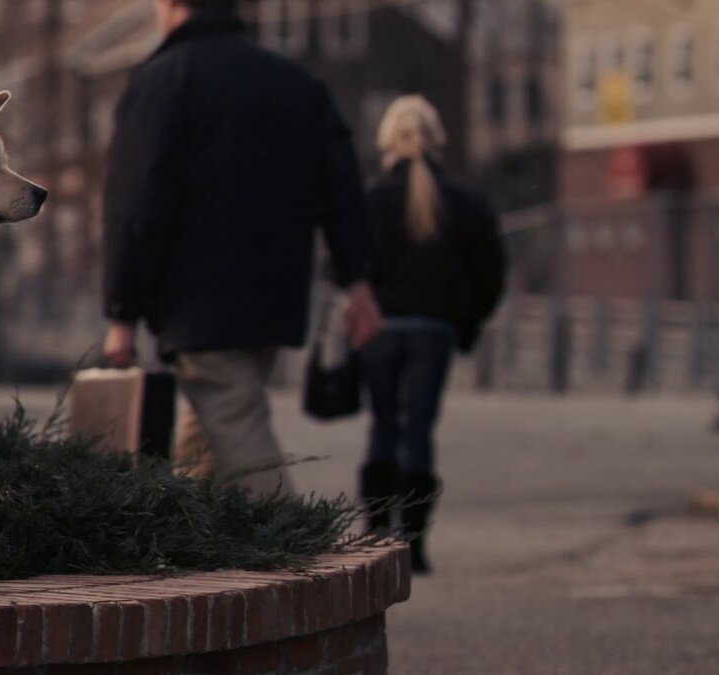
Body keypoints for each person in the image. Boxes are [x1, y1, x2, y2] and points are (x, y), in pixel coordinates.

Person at [101, 0, 382, 495]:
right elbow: (342, 188)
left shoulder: (163, 80)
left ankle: (298, 549)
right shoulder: (295, 82)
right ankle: (192, 544)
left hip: (197, 300)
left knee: (234, 422)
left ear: (171, 7)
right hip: (276, 296)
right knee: (208, 433)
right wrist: (357, 278)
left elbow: (137, 202)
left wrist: (123, 311)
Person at [357, 96, 506, 573]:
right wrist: (467, 321)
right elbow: (491, 272)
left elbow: (344, 262)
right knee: (419, 430)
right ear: (437, 138)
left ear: (388, 140)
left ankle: (375, 532)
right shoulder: (464, 202)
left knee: (383, 424)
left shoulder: (373, 199)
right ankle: (415, 545)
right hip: (435, 331)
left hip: (380, 329)